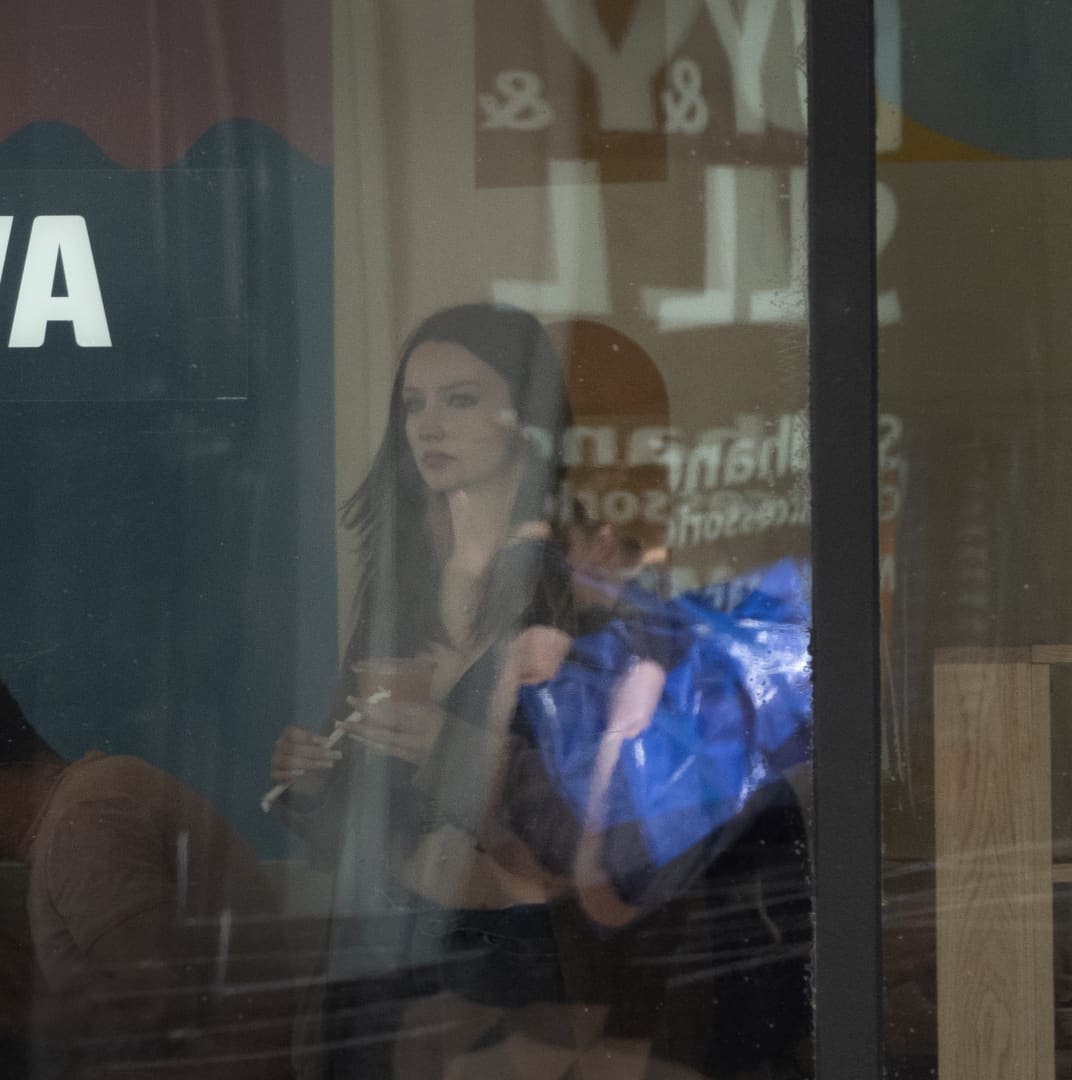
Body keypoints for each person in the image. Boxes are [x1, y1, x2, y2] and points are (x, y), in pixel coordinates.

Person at [266, 303, 809, 1077]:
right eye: (413, 404)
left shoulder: (583, 590)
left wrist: (450, 748)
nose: (429, 426)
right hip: (404, 962)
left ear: (528, 420)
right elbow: (366, 831)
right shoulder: (401, 589)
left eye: (460, 399)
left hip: (541, 982)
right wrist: (317, 785)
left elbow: (610, 834)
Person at [0, 657, 293, 1079]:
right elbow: (98, 989)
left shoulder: (86, 822)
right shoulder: (79, 810)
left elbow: (156, 1008)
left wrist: (12, 1011)